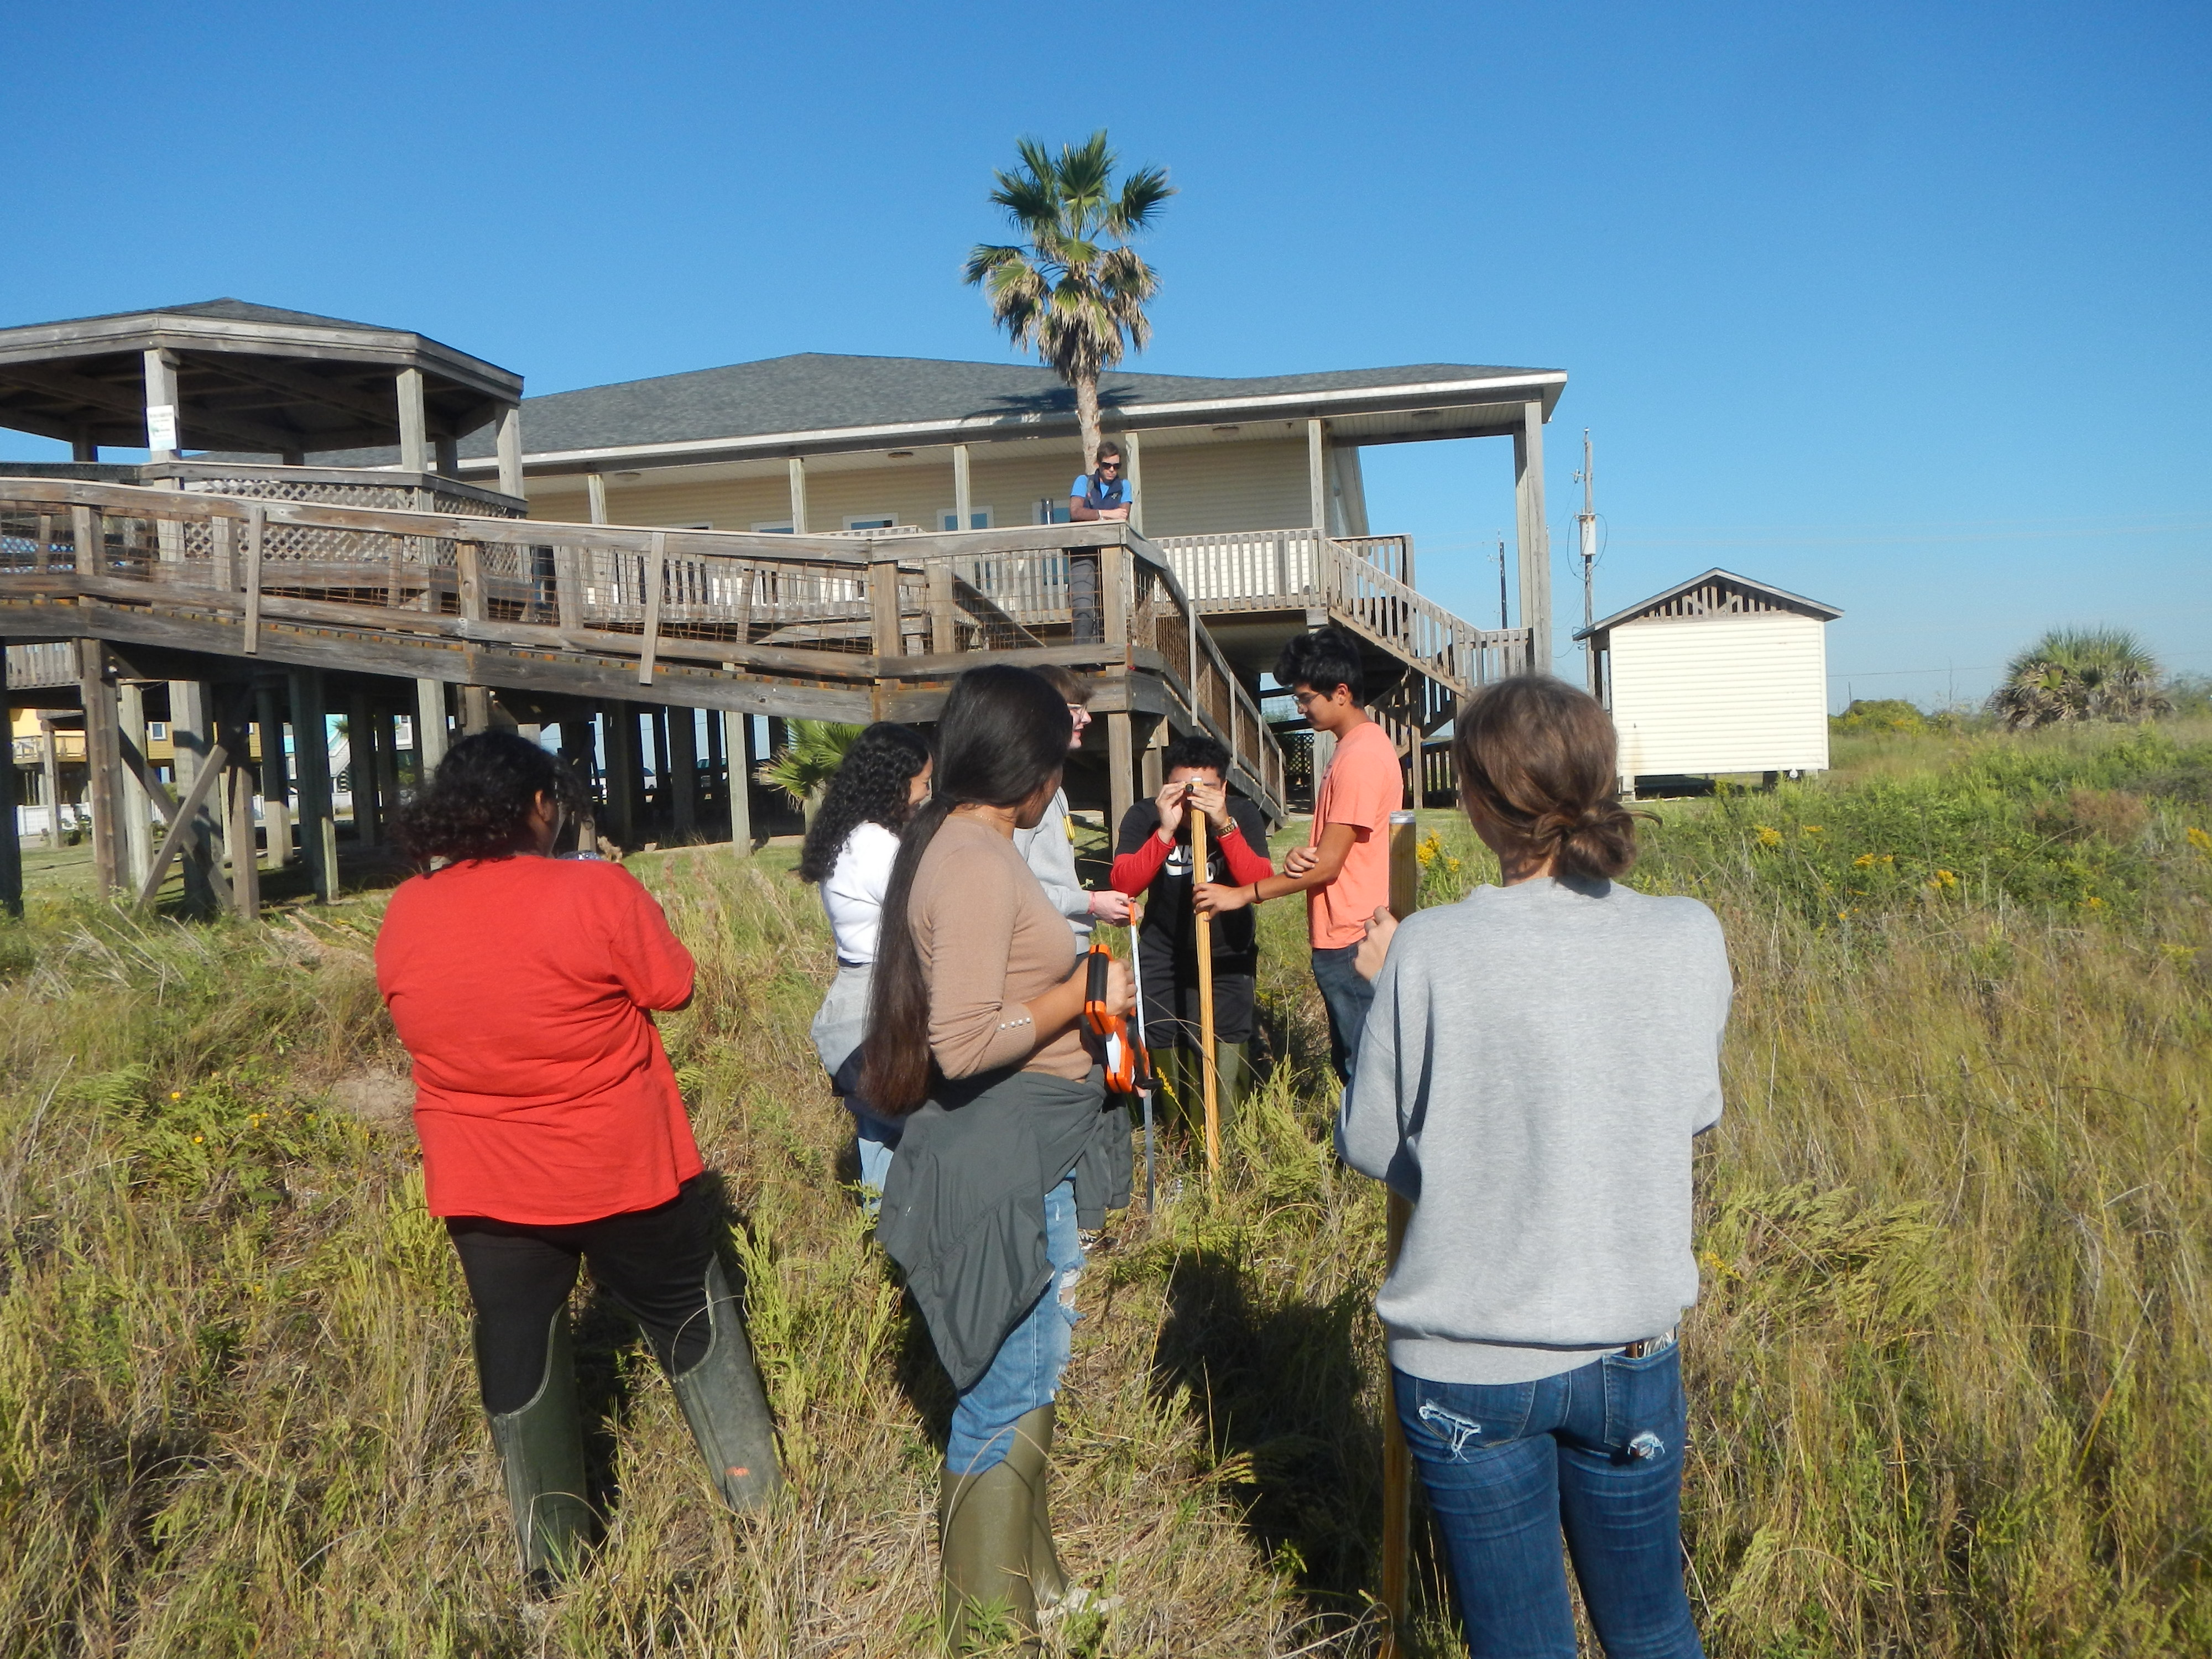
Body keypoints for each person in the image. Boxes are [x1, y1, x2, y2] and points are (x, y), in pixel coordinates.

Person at [1336, 676, 1731, 1659]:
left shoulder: (1429, 948)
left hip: (1465, 1361)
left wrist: (1391, 993)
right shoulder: (1688, 933)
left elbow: (1372, 1144)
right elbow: (1690, 1111)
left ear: (1475, 801)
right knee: (1653, 1629)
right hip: (1629, 1344)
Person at [375, 732, 782, 1586]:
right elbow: (675, 988)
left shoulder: (409, 907)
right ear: (538, 805)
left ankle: (552, 1562)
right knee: (687, 1313)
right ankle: (758, 1511)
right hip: (617, 1161)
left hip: (482, 1175)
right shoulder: (595, 888)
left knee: (517, 1338)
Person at [862, 664, 1135, 1648]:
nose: (1060, 783)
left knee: (1029, 1375)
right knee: (1007, 1389)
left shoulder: (965, 840)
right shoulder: (976, 860)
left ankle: (1033, 1579)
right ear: (1029, 768)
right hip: (1007, 1153)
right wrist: (1085, 992)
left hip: (1026, 1142)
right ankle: (987, 1628)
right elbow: (966, 1041)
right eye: (1058, 764)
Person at [1194, 625, 1401, 1080]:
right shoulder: (1351, 749)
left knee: (1367, 1071)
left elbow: (1327, 867)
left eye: (1306, 698)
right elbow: (1330, 851)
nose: (1300, 707)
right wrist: (1299, 857)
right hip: (1344, 932)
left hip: (1352, 937)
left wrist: (1240, 894)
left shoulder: (1361, 758)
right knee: (1355, 1064)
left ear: (1341, 693)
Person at [1108, 732, 1275, 1136]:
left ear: (1224, 788)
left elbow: (1260, 882)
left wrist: (1224, 826)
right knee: (1161, 1030)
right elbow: (1124, 883)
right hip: (1163, 948)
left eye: (1207, 789)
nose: (1194, 799)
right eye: (1184, 789)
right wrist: (1164, 833)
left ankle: (1224, 1137)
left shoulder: (1242, 813)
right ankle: (1178, 1134)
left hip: (1227, 949)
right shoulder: (1145, 816)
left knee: (1229, 1031)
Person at [796, 722, 933, 1208]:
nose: (926, 795)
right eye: (923, 783)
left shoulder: (849, 836)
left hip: (856, 1009)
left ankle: (880, 1238)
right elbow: (927, 914)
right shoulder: (877, 844)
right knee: (930, 1133)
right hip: (882, 1010)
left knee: (879, 1140)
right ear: (896, 782)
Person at [1013, 664, 1133, 939]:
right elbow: (1014, 886)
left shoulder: (1053, 786)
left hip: (1068, 943)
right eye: (1077, 709)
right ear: (1043, 711)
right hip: (1041, 946)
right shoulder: (1024, 790)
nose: (1087, 719)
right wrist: (1091, 903)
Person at [1066, 440, 1131, 522]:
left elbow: (1123, 516)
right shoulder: (1084, 481)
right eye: (1107, 465)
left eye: (1116, 466)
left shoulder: (1124, 486)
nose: (1112, 470)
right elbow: (1075, 513)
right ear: (1098, 464)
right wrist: (1105, 514)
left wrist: (1089, 515)